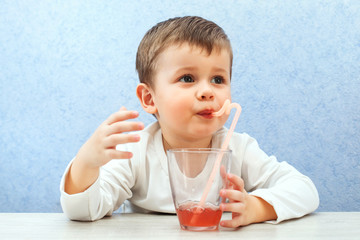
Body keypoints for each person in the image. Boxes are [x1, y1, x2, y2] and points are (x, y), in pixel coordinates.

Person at [60, 16, 319, 227]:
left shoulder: (237, 149)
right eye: (187, 78)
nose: (208, 92)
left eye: (218, 79)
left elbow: (305, 190)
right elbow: (83, 211)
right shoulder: (137, 153)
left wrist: (257, 207)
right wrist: (86, 162)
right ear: (149, 98)